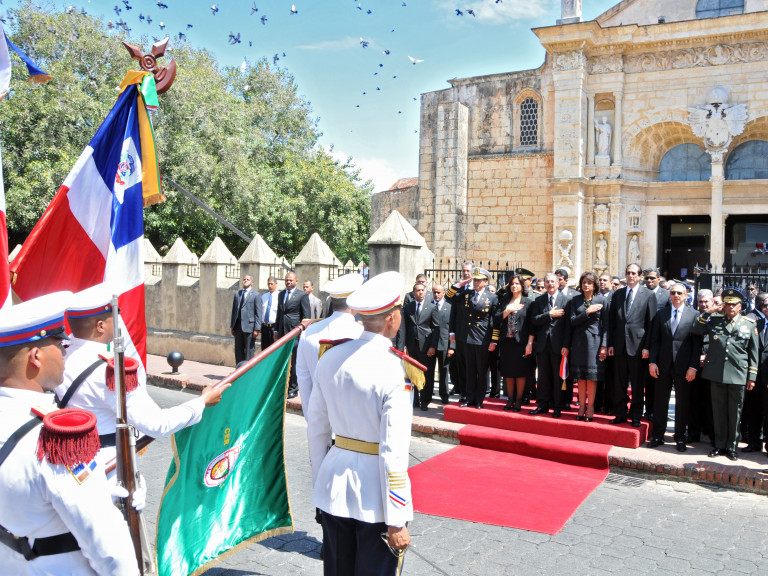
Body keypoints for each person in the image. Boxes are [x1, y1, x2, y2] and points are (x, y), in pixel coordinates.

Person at [0, 292, 139, 574]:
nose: (65, 352)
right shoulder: (55, 440)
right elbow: (109, 548)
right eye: (60, 344)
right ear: (36, 357)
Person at [307, 271, 412, 575]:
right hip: (375, 496)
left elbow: (316, 429)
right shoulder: (394, 369)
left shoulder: (330, 357)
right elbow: (393, 452)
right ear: (391, 318)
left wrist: (320, 483)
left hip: (333, 484)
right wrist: (396, 519)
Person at [55, 283, 228, 464]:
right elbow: (157, 424)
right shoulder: (109, 371)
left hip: (71, 460)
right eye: (115, 315)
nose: (119, 320)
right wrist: (202, 402)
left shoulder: (61, 356)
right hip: (106, 465)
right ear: (100, 326)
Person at [692, 287, 759, 461]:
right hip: (717, 373)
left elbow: (753, 353)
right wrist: (709, 311)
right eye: (727, 304)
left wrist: (752, 377)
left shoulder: (749, 324)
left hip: (738, 374)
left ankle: (732, 447)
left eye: (734, 304)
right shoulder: (715, 320)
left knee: (735, 412)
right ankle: (719, 444)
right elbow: (696, 329)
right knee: (718, 410)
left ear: (740, 306)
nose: (730, 307)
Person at [297, 273, 365, 424]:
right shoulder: (362, 334)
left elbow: (304, 380)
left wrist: (312, 419)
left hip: (318, 420)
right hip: (352, 425)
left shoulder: (309, 332)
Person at [647, 282, 702, 452]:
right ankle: (658, 435)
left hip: (684, 366)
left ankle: (680, 437)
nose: (676, 295)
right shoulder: (661, 314)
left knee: (682, 403)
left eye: (679, 293)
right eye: (673, 293)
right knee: (660, 401)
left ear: (685, 295)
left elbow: (697, 345)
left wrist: (693, 367)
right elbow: (655, 340)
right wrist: (652, 362)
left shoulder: (694, 315)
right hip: (662, 365)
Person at [607, 263, 657, 427]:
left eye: (634, 273)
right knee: (619, 382)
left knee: (637, 384)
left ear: (640, 276)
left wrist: (647, 347)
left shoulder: (648, 295)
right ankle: (620, 413)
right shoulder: (618, 294)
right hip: (619, 345)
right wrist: (611, 344)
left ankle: (636, 415)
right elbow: (612, 321)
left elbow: (651, 324)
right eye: (628, 273)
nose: (631, 276)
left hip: (638, 346)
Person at [447, 267, 500, 409]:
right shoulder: (467, 294)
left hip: (483, 337)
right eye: (475, 280)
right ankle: (469, 397)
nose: (476, 282)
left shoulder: (492, 297)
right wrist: (459, 285)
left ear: (485, 282)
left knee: (481, 370)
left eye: (479, 280)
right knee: (469, 369)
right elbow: (449, 296)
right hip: (467, 337)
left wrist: (494, 340)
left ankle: (479, 399)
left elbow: (495, 321)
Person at [564, 271, 608, 421]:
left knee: (591, 377)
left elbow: (606, 325)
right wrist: (587, 312)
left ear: (594, 285)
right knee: (580, 377)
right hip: (578, 342)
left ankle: (590, 407)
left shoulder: (602, 300)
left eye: (589, 283)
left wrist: (604, 345)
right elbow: (572, 321)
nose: (586, 285)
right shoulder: (575, 300)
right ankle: (581, 407)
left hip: (595, 342)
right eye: (584, 282)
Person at [530, 273, 571, 417]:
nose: (550, 284)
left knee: (558, 377)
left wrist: (566, 345)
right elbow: (534, 320)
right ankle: (543, 404)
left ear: (558, 283)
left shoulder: (566, 300)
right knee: (543, 377)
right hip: (542, 344)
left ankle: (557, 406)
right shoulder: (539, 300)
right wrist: (549, 314)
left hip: (559, 345)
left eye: (553, 281)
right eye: (547, 281)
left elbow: (568, 326)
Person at [497, 274, 534, 411]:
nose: (514, 286)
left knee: (520, 372)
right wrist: (507, 311)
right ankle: (510, 399)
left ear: (522, 286)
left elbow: (531, 325)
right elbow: (496, 319)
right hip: (506, 341)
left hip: (521, 342)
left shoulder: (528, 302)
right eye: (512, 283)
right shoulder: (504, 300)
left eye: (517, 283)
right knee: (508, 372)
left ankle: (518, 400)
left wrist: (530, 343)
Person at [402, 282, 439, 411]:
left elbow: (435, 328)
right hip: (412, 346)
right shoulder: (408, 307)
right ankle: (415, 400)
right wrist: (404, 346)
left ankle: (425, 400)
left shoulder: (432, 307)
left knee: (426, 374)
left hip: (426, 346)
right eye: (418, 290)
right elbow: (405, 328)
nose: (421, 292)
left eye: (423, 290)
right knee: (413, 373)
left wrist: (433, 346)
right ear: (413, 293)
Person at [276, 271, 311, 399]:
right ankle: (283, 387)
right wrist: (276, 330)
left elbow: (306, 317)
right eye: (286, 280)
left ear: (296, 281)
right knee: (284, 361)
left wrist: (302, 332)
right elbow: (279, 313)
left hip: (295, 333)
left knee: (295, 361)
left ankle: (293, 388)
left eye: (291, 280)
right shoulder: (281, 294)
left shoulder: (302, 295)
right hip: (282, 333)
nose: (288, 282)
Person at [744, 292, 768, 454]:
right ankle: (754, 442)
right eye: (765, 306)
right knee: (754, 410)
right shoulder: (756, 324)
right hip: (755, 375)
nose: (767, 308)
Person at [447, 261, 474, 403]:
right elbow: (449, 299)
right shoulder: (458, 289)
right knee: (462, 365)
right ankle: (464, 393)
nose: (466, 273)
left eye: (468, 270)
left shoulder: (478, 287)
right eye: (464, 271)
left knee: (474, 365)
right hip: (461, 333)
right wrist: (452, 331)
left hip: (476, 334)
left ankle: (474, 392)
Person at [230, 274, 263, 365]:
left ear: (252, 282)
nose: (245, 280)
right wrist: (232, 326)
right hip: (238, 327)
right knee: (238, 350)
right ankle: (239, 369)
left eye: (248, 279)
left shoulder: (256, 295)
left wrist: (257, 328)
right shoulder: (237, 294)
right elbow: (234, 311)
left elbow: (258, 313)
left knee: (249, 351)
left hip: (249, 327)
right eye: (244, 279)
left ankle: (249, 370)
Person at [431, 284, 454, 404]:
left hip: (445, 344)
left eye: (438, 292)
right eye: (434, 292)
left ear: (444, 293)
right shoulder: (429, 305)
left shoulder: (450, 307)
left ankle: (444, 395)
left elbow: (453, 328)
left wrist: (452, 347)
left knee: (444, 371)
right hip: (430, 345)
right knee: (429, 371)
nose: (436, 295)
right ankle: (428, 394)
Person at [261, 276, 279, 350]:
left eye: (272, 284)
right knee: (264, 350)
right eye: (268, 284)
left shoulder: (279, 296)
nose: (270, 286)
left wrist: (277, 329)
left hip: (274, 327)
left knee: (273, 349)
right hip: (264, 327)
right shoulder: (264, 296)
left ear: (276, 283)